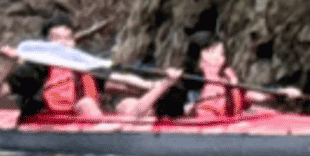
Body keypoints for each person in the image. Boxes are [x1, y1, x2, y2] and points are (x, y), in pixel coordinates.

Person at [126, 31, 301, 121]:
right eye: (213, 52)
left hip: (228, 126)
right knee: (128, 105)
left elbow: (250, 96)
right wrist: (167, 83)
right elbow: (136, 114)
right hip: (196, 129)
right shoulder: (185, 82)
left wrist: (281, 93)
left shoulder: (228, 75)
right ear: (200, 57)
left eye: (221, 52)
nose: (221, 57)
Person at [0, 16, 105, 121]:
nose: (64, 43)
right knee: (87, 104)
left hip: (76, 121)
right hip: (42, 120)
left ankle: (101, 129)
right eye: (57, 39)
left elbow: (109, 83)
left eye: (68, 38)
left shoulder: (85, 67)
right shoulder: (35, 67)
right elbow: (2, 91)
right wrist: (9, 63)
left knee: (90, 103)